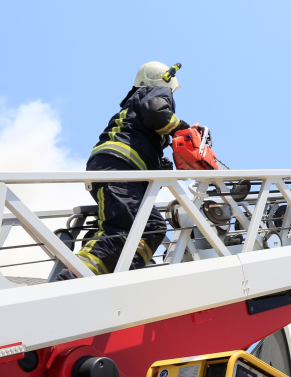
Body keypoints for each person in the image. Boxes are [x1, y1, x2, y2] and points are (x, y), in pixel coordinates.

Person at [58, 61, 204, 279]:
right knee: (121, 229)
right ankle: (71, 281)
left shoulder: (136, 115)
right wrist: (184, 128)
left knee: (152, 228)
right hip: (118, 167)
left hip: (120, 168)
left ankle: (123, 276)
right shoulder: (155, 91)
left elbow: (146, 139)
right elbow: (157, 113)